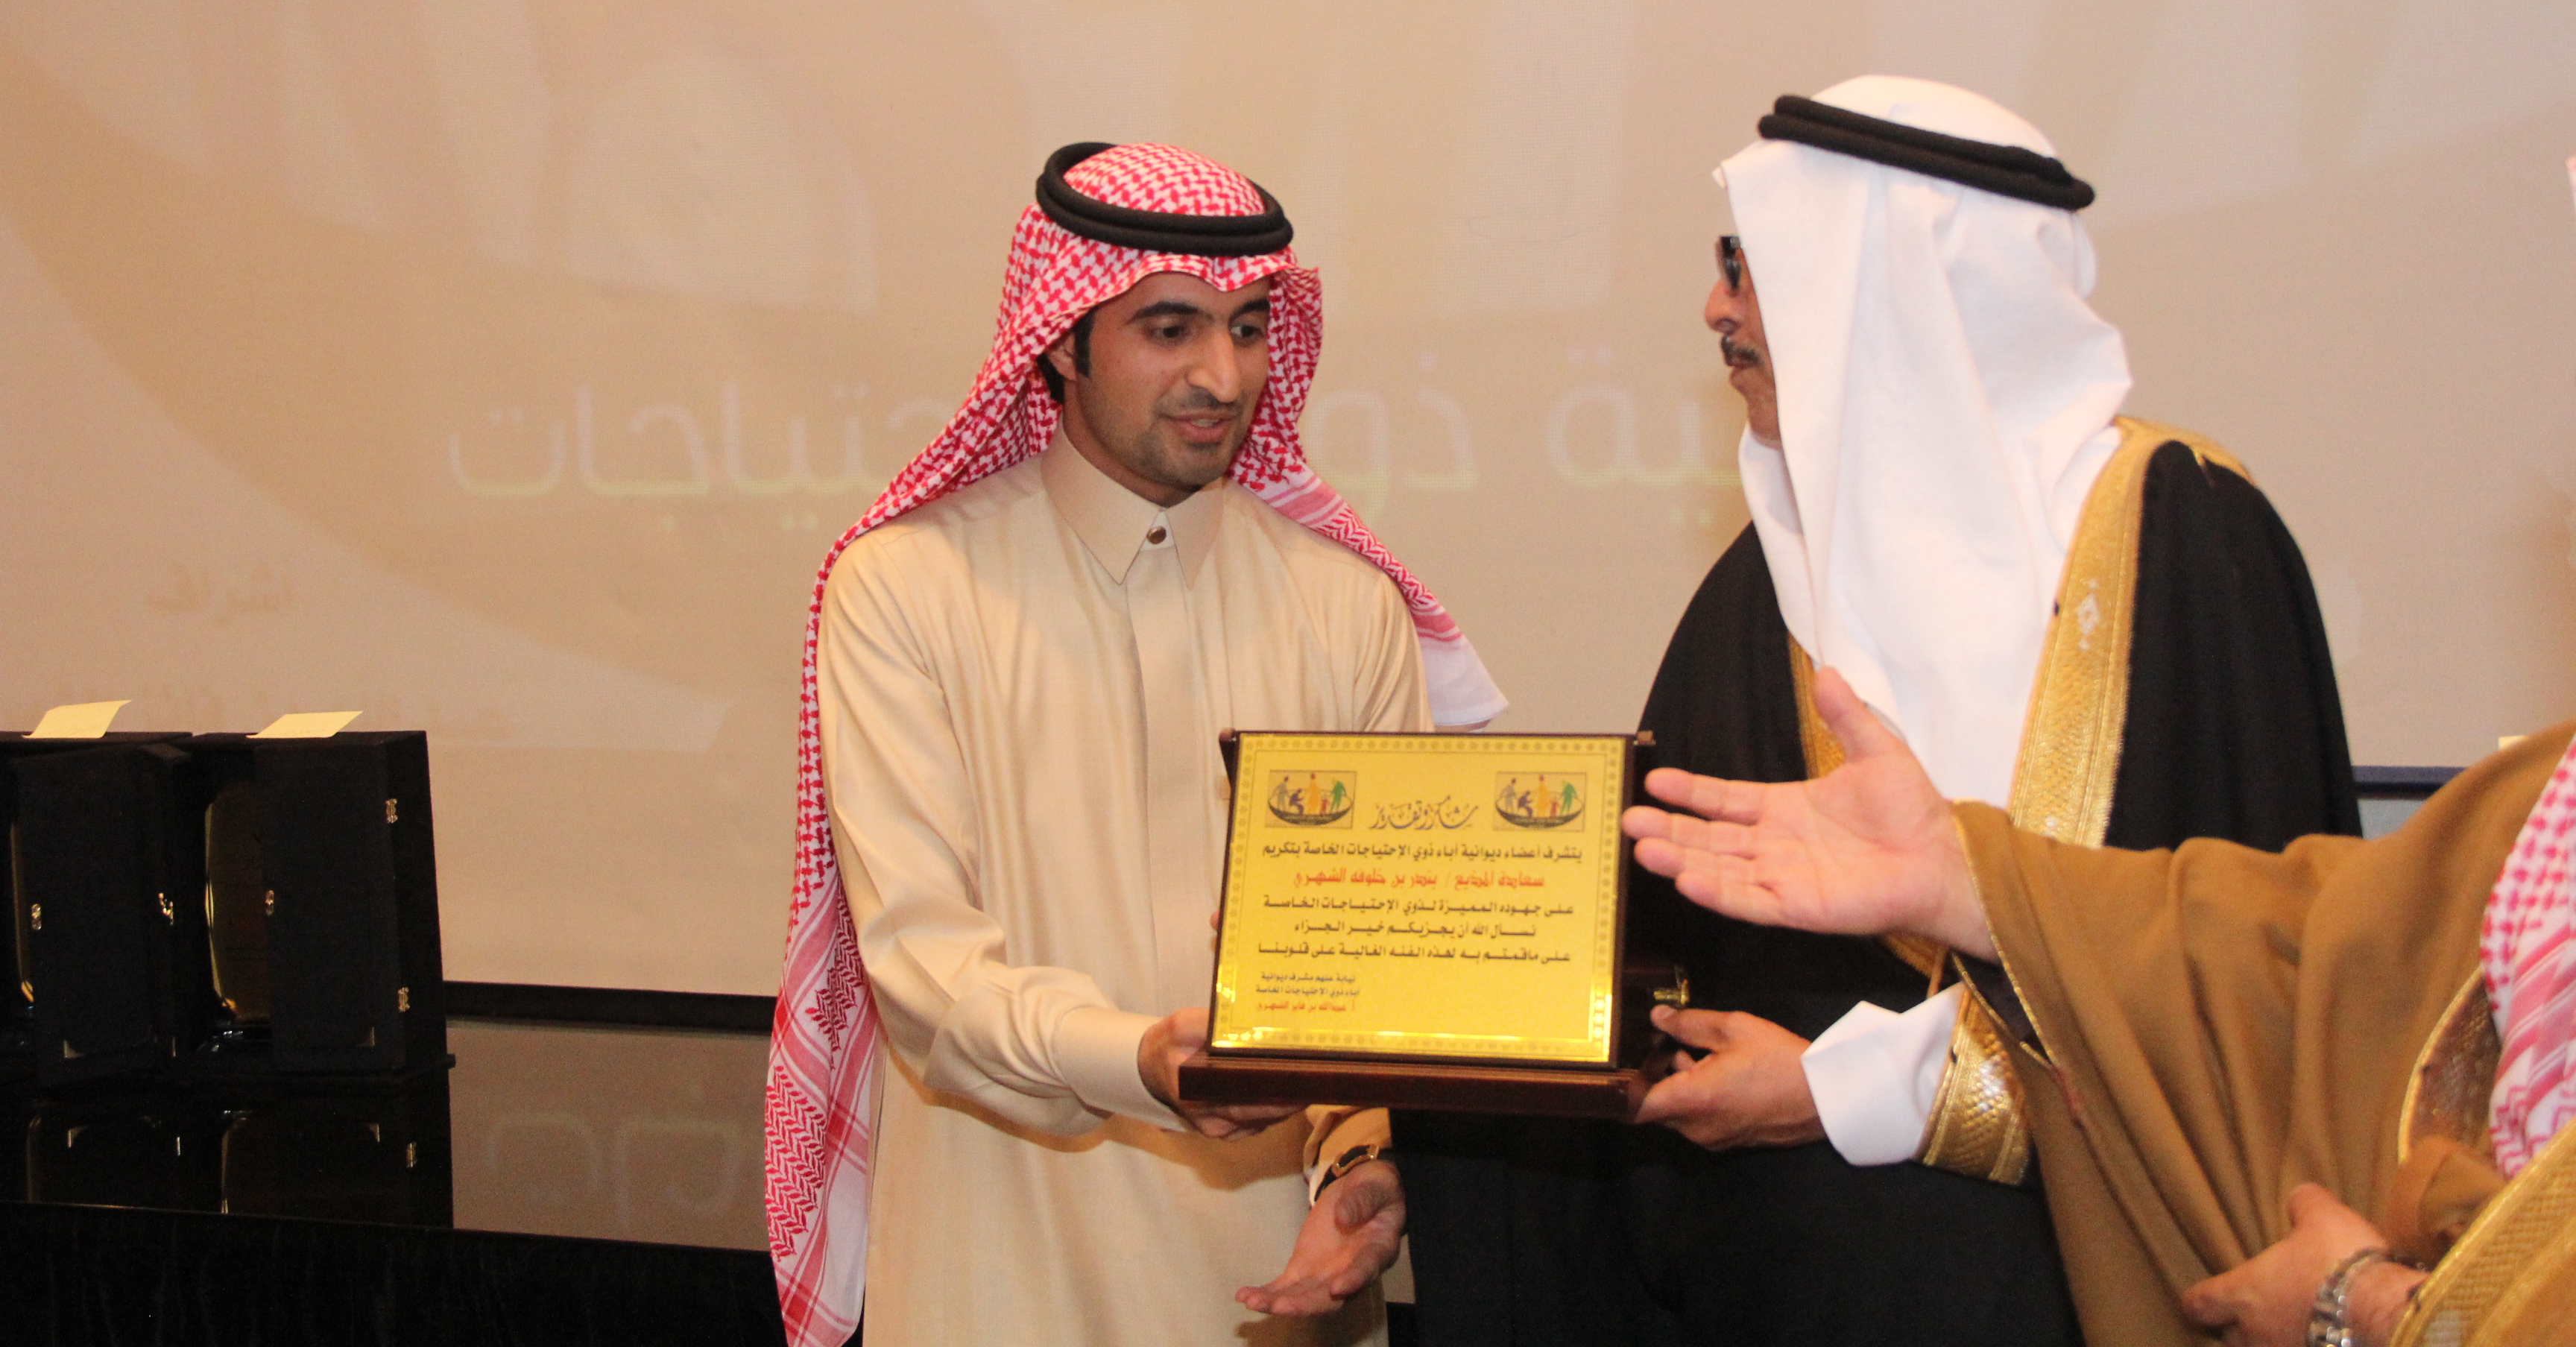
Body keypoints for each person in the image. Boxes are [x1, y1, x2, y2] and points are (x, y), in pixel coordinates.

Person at [1395, 77, 2359, 1347]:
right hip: (1795, 1292)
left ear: (1884, 280)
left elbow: (2247, 980)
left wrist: (1847, 1092)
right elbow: (1644, 946)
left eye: (1748, 268)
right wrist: (1375, 981)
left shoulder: (2183, 538)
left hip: (2095, 1292)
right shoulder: (1769, 580)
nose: (1716, 310)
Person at [762, 142, 1506, 1347]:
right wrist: (1140, 1058)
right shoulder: (906, 589)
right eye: (1170, 328)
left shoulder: (1344, 606)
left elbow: (1380, 977)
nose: (1224, 373)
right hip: (997, 1285)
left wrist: (1364, 1160)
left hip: (1279, 1287)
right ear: (1062, 341)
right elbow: (922, 968)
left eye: (1250, 327)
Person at [1624, 666, 2576, 1347]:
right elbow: (2324, 945)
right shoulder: (2539, 790)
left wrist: (2362, 1309)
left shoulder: (2187, 525)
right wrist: (1973, 884)